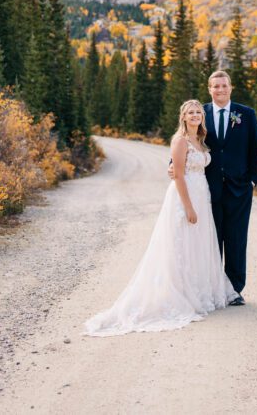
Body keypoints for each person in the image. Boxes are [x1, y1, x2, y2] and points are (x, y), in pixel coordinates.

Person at [84, 100, 239, 336]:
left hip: (202, 195)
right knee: (182, 244)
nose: (195, 115)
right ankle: (180, 294)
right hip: (184, 197)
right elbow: (177, 175)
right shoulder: (180, 140)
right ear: (183, 117)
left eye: (198, 112)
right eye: (190, 112)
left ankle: (199, 290)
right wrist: (188, 207)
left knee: (197, 245)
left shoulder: (200, 140)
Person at [168, 70, 257, 304]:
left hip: (239, 188)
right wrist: (172, 165)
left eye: (224, 86)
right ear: (209, 89)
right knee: (211, 238)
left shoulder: (246, 115)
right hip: (208, 190)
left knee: (236, 238)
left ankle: (234, 290)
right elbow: (185, 140)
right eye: (215, 86)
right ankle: (212, 287)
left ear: (231, 88)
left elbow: (256, 149)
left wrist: (252, 180)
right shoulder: (201, 113)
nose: (220, 90)